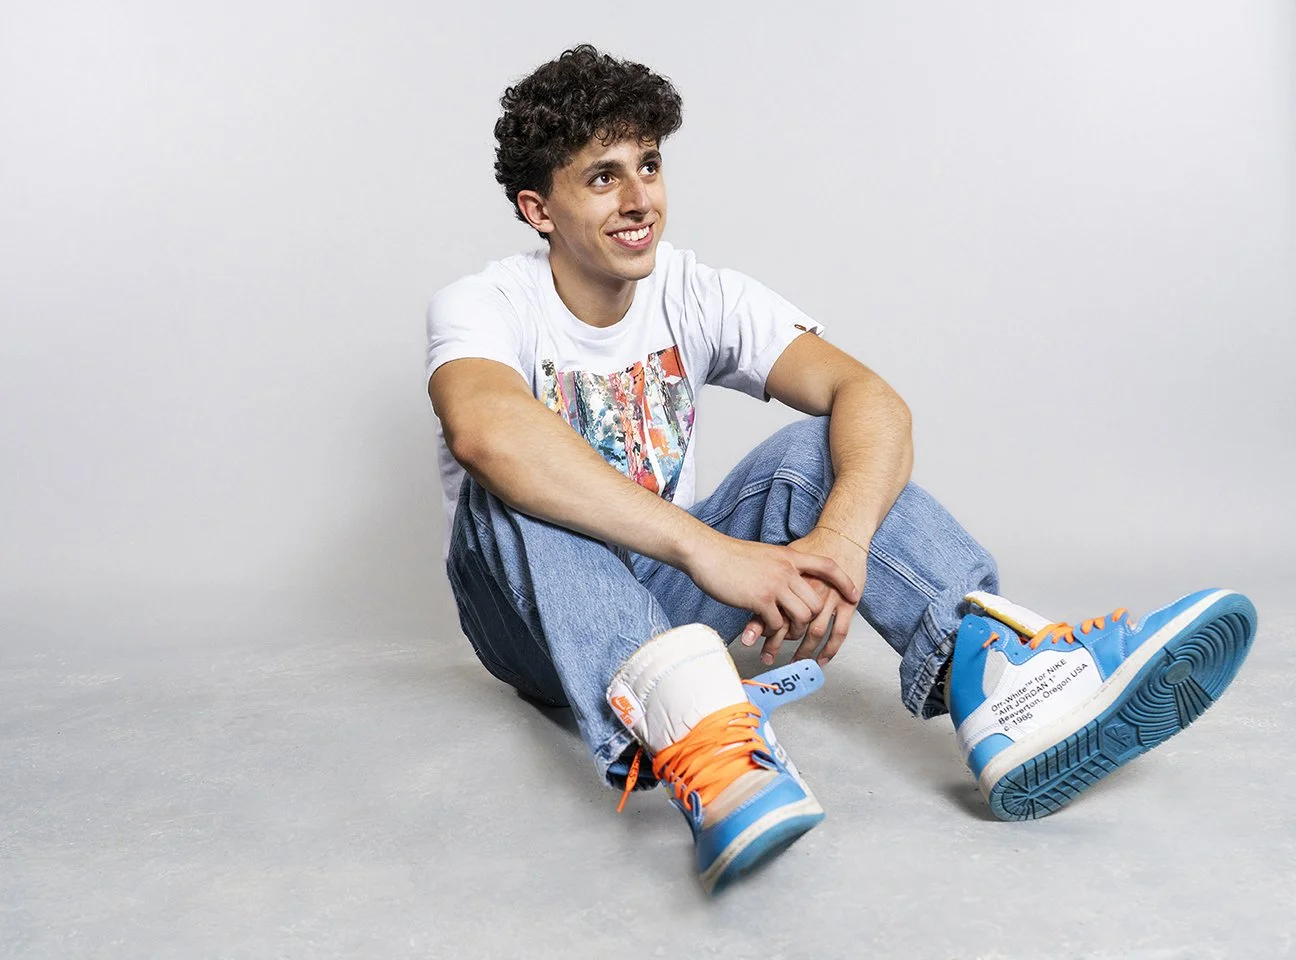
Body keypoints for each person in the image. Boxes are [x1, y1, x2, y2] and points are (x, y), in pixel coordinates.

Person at [425, 44, 1258, 895]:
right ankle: (709, 751)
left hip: (669, 612)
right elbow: (487, 432)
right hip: (531, 623)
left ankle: (1002, 681)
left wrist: (844, 539)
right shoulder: (485, 304)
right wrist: (707, 551)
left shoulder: (695, 291)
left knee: (821, 450)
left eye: (649, 164)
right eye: (603, 178)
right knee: (509, 483)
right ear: (538, 209)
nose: (641, 199)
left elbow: (872, 398)